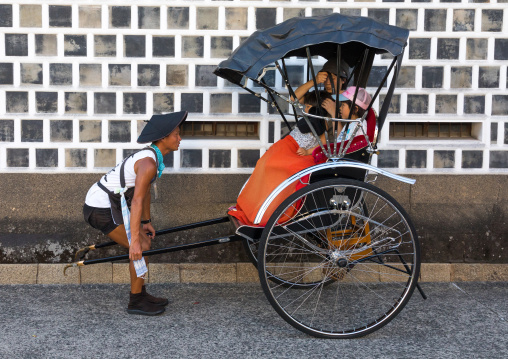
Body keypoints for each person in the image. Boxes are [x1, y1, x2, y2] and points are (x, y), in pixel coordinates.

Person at [83, 111, 187, 316]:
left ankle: (140, 293)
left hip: (109, 204)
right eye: (176, 134)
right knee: (143, 246)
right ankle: (136, 300)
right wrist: (135, 242)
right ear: (164, 138)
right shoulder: (148, 162)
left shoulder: (152, 158)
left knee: (144, 241)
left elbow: (145, 192)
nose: (180, 138)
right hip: (100, 207)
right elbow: (137, 199)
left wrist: (146, 222)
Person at [228, 94, 330, 227]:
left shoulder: (320, 123)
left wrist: (307, 152)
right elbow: (295, 97)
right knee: (263, 164)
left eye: (309, 106)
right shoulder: (307, 119)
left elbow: (323, 144)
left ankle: (266, 212)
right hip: (287, 146)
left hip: (300, 154)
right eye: (306, 105)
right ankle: (250, 206)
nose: (305, 108)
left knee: (277, 168)